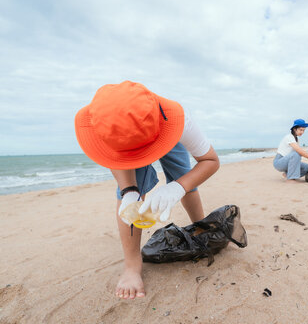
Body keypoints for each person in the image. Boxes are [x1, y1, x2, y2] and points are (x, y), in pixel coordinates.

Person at [74, 80, 219, 299]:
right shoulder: (102, 126)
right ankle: (132, 266)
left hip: (163, 132)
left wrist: (178, 187)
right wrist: (129, 191)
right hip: (122, 144)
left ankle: (200, 226)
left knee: (184, 176)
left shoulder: (179, 121)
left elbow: (210, 161)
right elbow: (112, 159)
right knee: (131, 192)